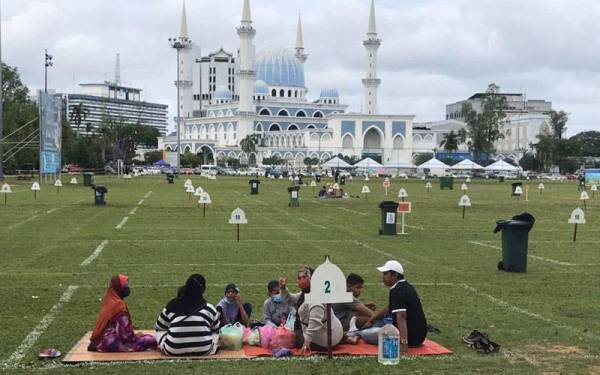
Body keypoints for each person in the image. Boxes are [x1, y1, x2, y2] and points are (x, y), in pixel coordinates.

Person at [362, 261, 427, 352]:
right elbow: (389, 307)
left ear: (395, 275)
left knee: (365, 334)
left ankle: (355, 334)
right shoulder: (405, 286)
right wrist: (372, 320)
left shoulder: (397, 290)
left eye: (385, 274)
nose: (383, 277)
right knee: (377, 323)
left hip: (412, 338)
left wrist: (403, 343)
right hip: (419, 335)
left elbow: (402, 316)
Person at [279, 267, 343, 353]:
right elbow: (290, 300)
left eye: (304, 277)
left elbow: (315, 321)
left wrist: (307, 341)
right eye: (299, 278)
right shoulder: (306, 293)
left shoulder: (315, 298)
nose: (301, 280)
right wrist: (283, 289)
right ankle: (346, 337)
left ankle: (344, 337)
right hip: (332, 332)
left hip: (324, 340)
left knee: (293, 338)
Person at [155, 274, 220, 356]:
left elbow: (159, 327)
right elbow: (216, 329)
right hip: (204, 349)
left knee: (159, 332)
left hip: (173, 350)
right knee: (215, 333)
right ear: (203, 289)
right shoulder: (209, 308)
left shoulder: (171, 305)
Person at [88, 274, 157, 352]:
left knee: (146, 337)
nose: (127, 288)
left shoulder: (110, 300)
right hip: (108, 341)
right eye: (125, 286)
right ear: (118, 288)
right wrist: (137, 336)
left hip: (99, 340)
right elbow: (126, 336)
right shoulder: (118, 305)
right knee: (151, 340)